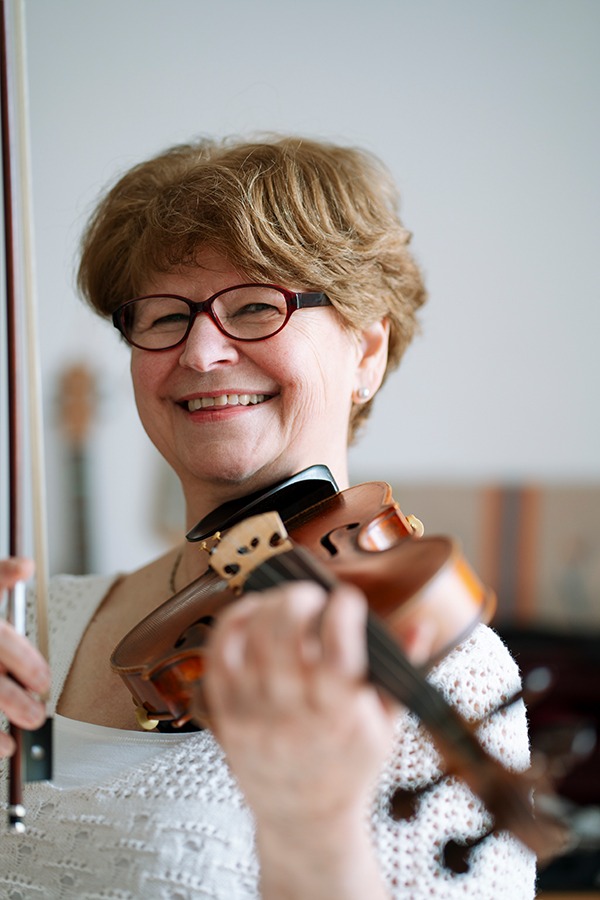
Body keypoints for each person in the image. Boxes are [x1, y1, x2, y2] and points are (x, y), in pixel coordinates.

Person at [0, 136, 535, 898]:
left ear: (367, 349)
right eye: (163, 317)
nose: (202, 351)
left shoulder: (440, 660)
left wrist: (313, 828)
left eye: (255, 307)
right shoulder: (40, 623)